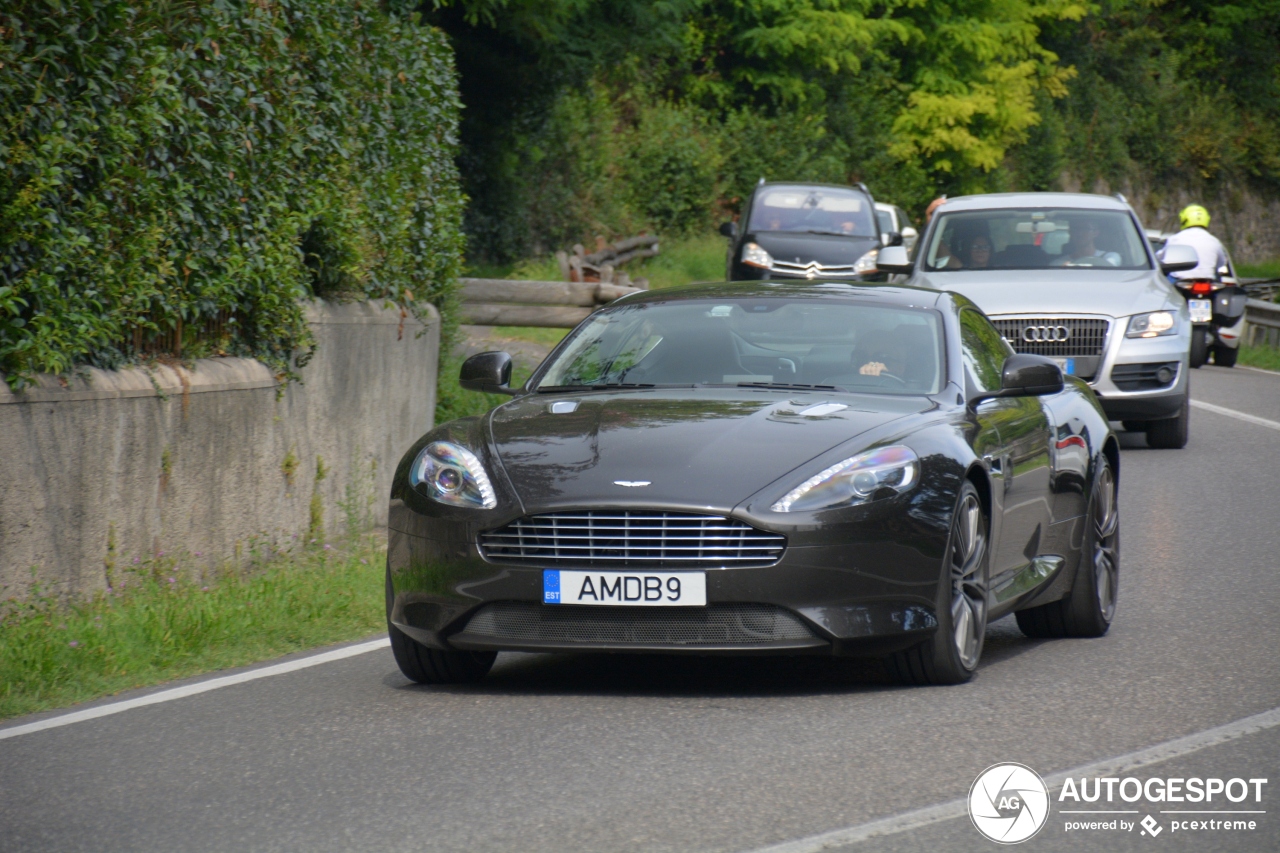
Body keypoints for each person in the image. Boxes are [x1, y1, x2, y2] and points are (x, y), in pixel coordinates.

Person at [1162, 204, 1228, 281]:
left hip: (1180, 281)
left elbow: (1163, 259)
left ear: (1184, 219)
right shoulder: (1215, 241)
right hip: (1207, 281)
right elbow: (1221, 263)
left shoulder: (1175, 239)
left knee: (1164, 284)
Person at [1052, 218, 1121, 266]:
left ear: (1096, 233)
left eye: (1085, 229)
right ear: (1070, 233)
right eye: (1076, 229)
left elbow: (1109, 266)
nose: (1080, 233)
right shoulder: (1058, 263)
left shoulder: (1110, 257)